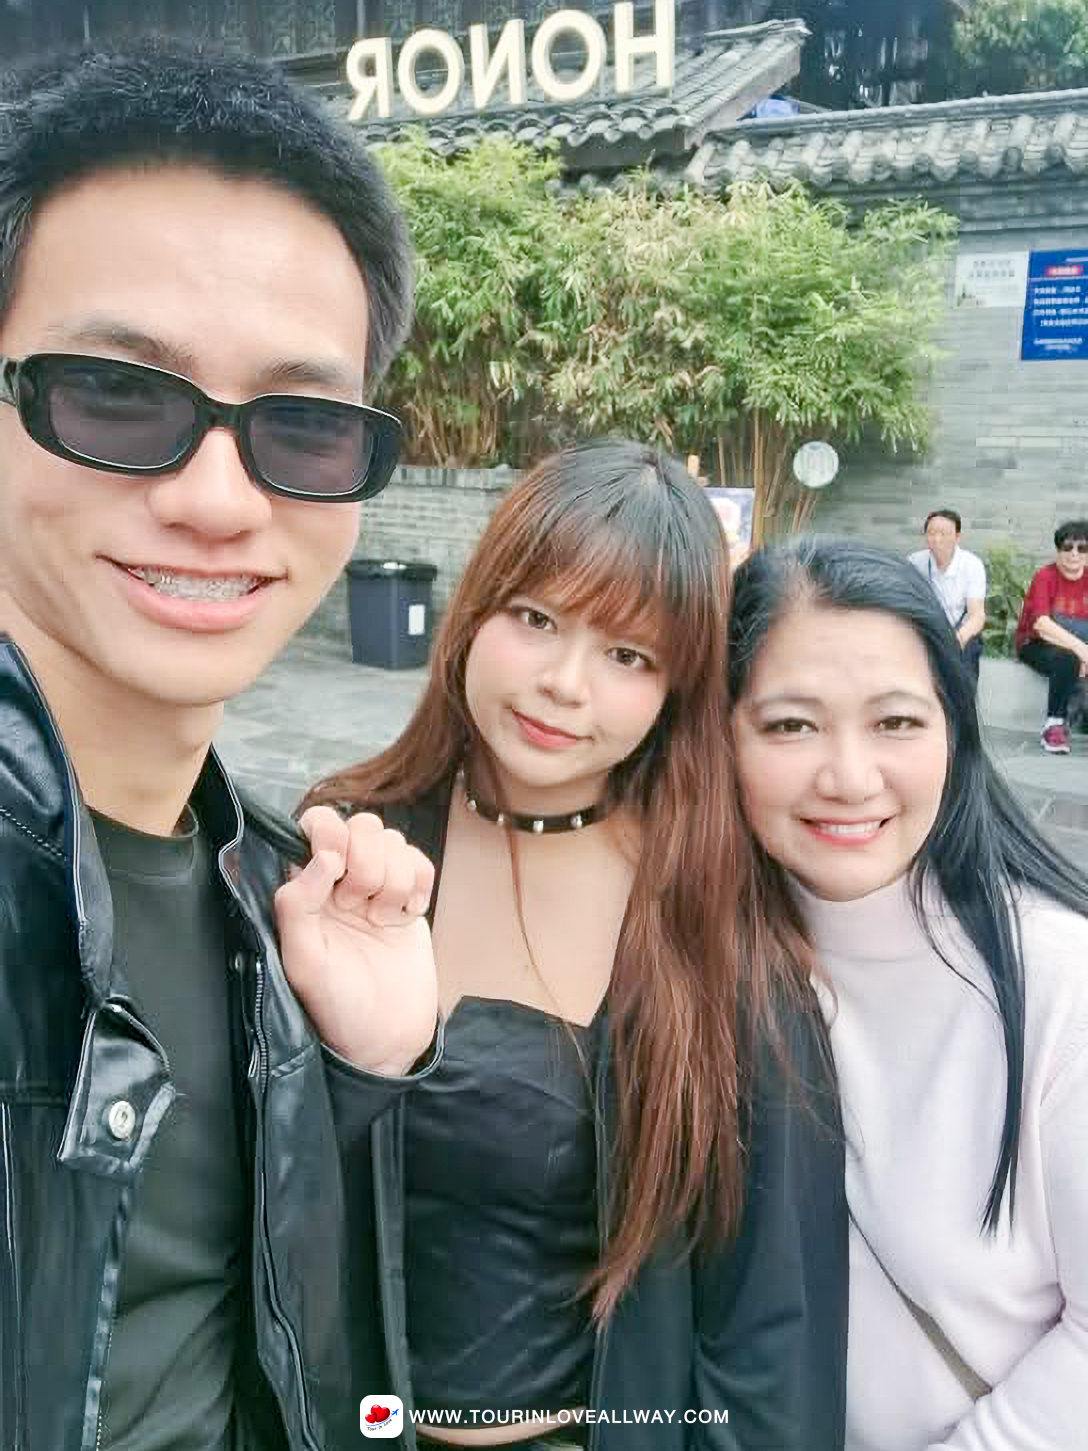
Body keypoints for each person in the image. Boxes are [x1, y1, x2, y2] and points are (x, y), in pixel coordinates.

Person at [0, 42, 442, 1451]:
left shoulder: (265, 880)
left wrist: (357, 1074)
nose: (217, 499)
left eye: (301, 428)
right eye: (115, 395)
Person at [302, 440, 849, 1451]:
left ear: (676, 690)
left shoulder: (712, 934)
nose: (564, 683)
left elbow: (767, 1337)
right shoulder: (349, 850)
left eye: (628, 656)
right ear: (475, 609)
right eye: (536, 618)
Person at [727, 536, 1088, 1451]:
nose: (850, 777)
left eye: (895, 722)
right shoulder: (699, 960)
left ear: (954, 733)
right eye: (791, 725)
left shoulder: (1061, 986)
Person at [1015, 518, 1088, 754]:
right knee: (1067, 659)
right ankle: (1054, 725)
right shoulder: (1045, 576)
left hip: (1077, 647)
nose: (1074, 553)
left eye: (1082, 548)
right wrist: (1081, 650)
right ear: (1058, 550)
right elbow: (1042, 624)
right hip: (1036, 643)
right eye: (1067, 547)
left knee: (1071, 657)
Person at [908, 508, 986, 688]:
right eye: (931, 533)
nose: (936, 539)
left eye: (943, 534)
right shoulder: (914, 562)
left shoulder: (971, 565)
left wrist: (957, 640)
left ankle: (964, 702)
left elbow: (977, 616)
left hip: (960, 632)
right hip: (927, 630)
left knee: (965, 663)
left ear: (957, 537)